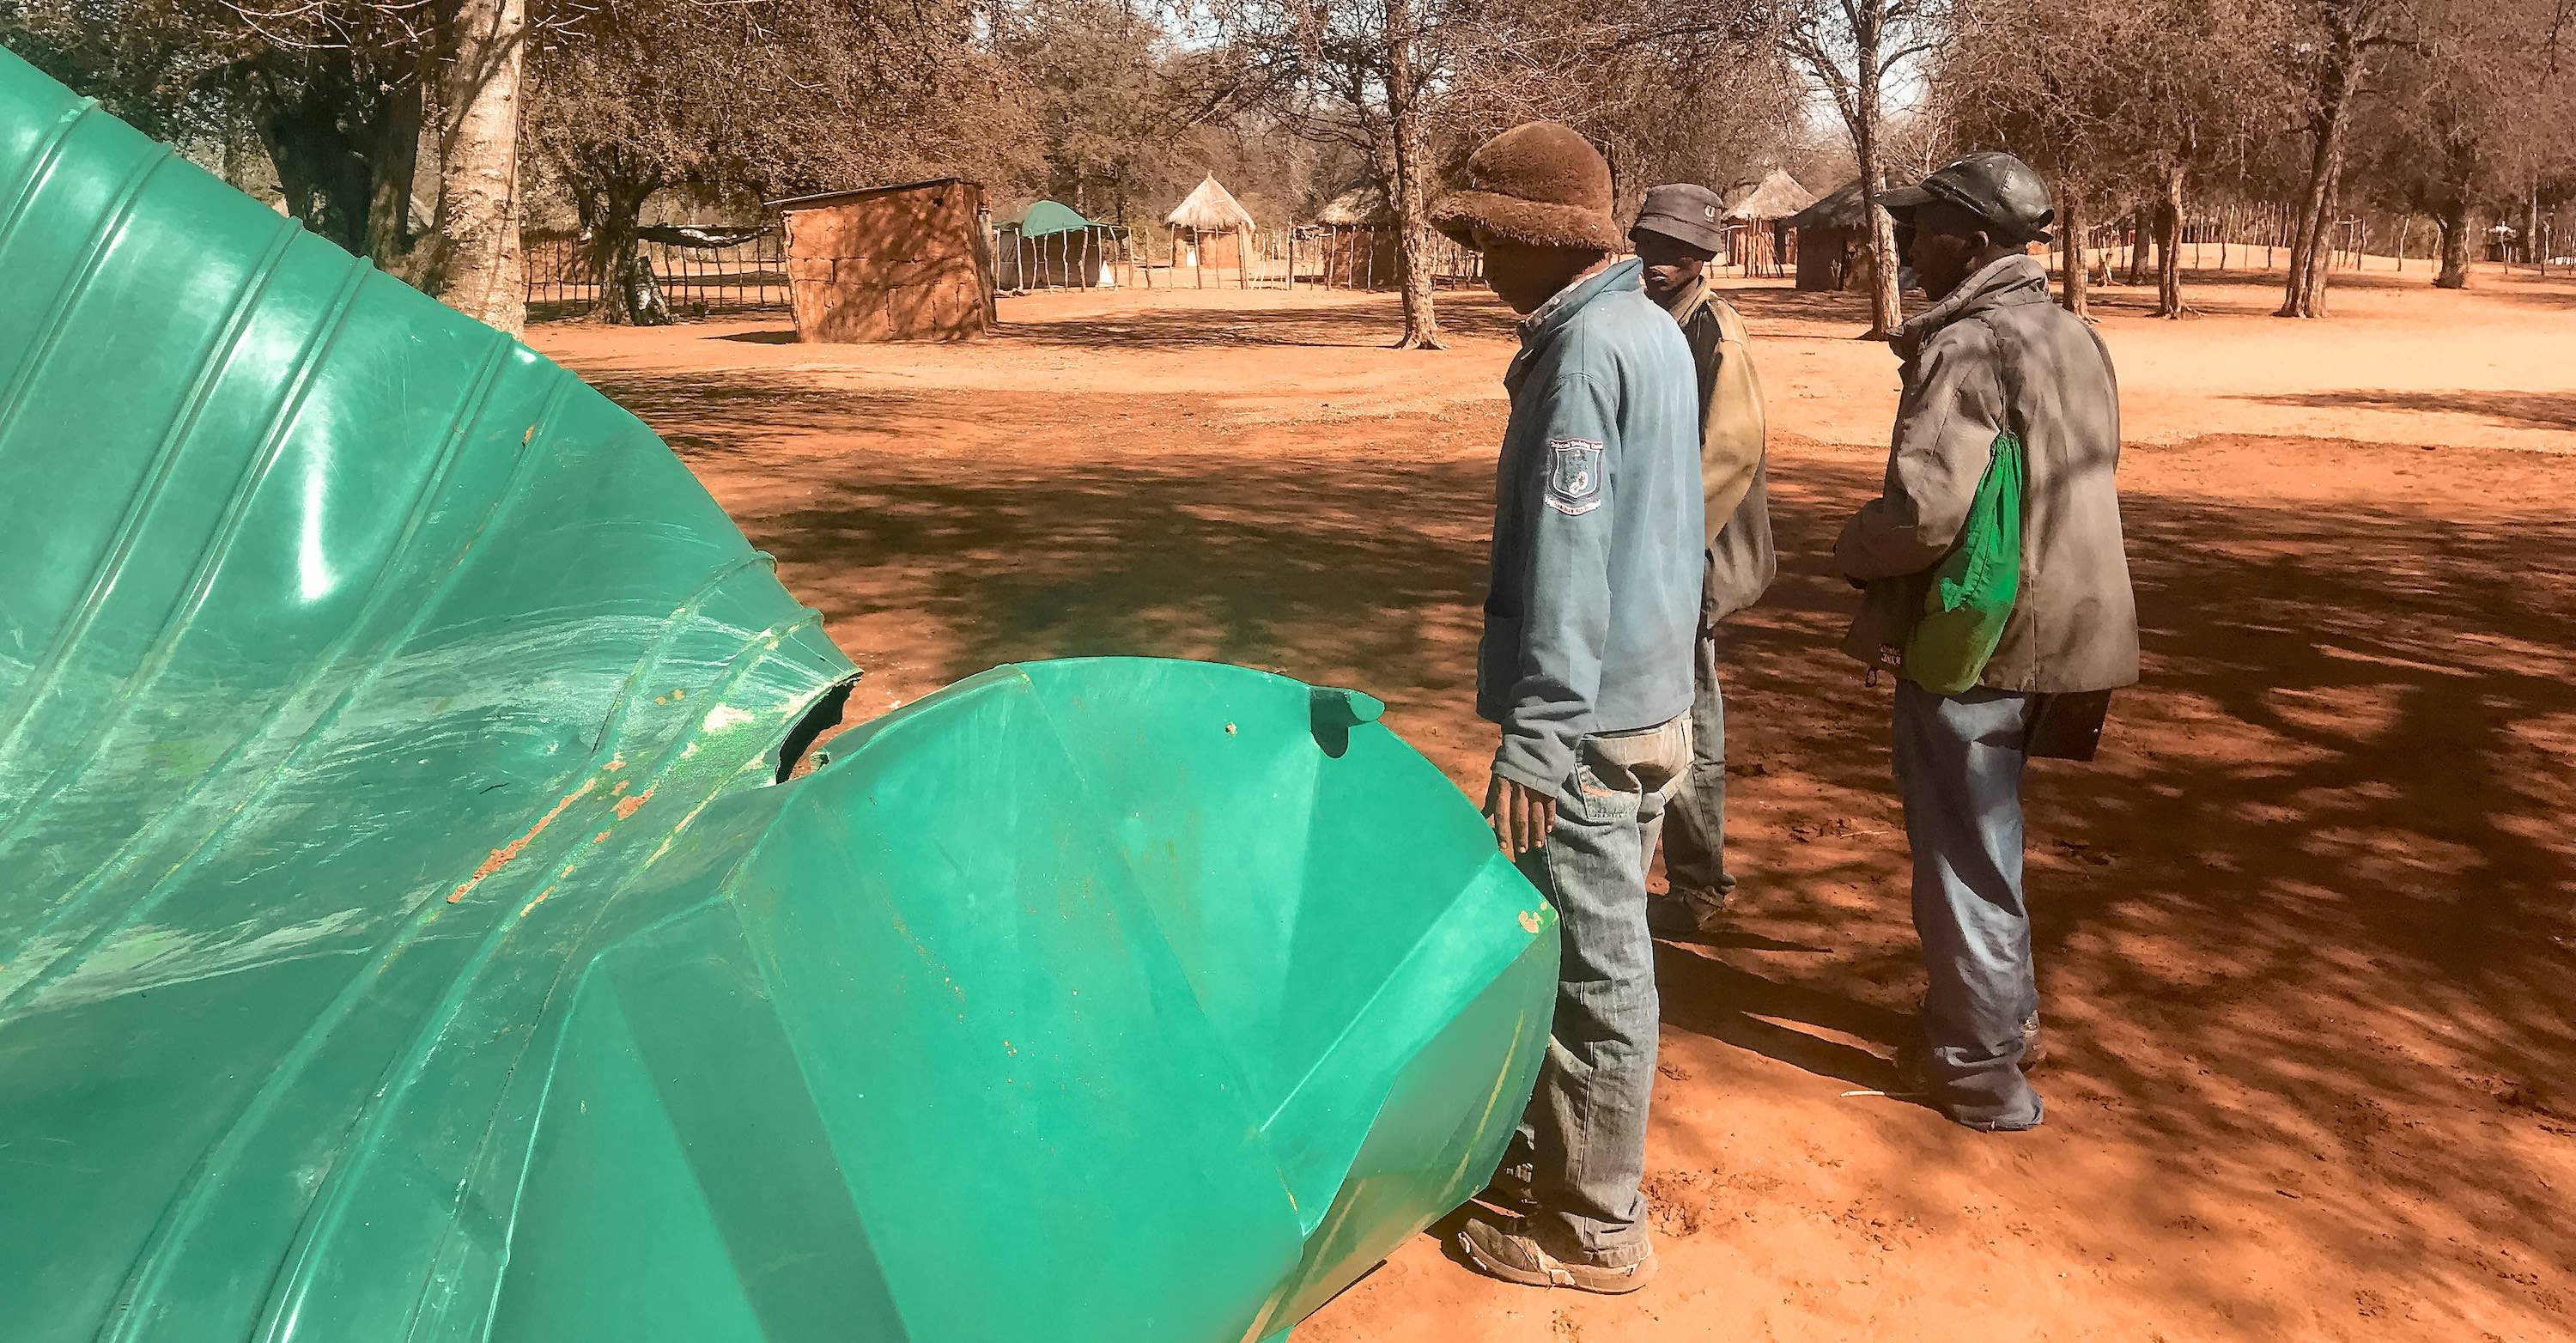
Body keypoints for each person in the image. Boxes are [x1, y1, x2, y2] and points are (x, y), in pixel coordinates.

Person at [1427, 121, 1704, 1293]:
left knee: (1594, 977)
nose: (1482, 258)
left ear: (1544, 241)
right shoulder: (1653, 330)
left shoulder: (1586, 353)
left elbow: (1574, 565)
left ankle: (1592, 1229)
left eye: (1494, 236)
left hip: (1588, 731)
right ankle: (1550, 1161)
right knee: (1584, 958)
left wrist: (1537, 744)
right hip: (1653, 707)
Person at [1832, 151, 2139, 1132]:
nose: (1909, 240)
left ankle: (1979, 1074)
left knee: (1963, 847)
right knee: (1991, 835)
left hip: (1982, 637)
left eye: (1924, 225)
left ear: (1972, 238)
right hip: (2075, 631)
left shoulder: (1968, 345)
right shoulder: (2074, 334)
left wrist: (1853, 548)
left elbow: (1923, 515)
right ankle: (2000, 1021)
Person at [1626, 184, 1776, 939]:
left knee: (1688, 720)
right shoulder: (1649, 317)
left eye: (1677, 248)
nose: (1660, 259)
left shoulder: (1717, 331)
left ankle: (1696, 883)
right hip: (1658, 556)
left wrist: (1666, 556)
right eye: (1650, 243)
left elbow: (1729, 455)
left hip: (1691, 560)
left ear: (1703, 256)